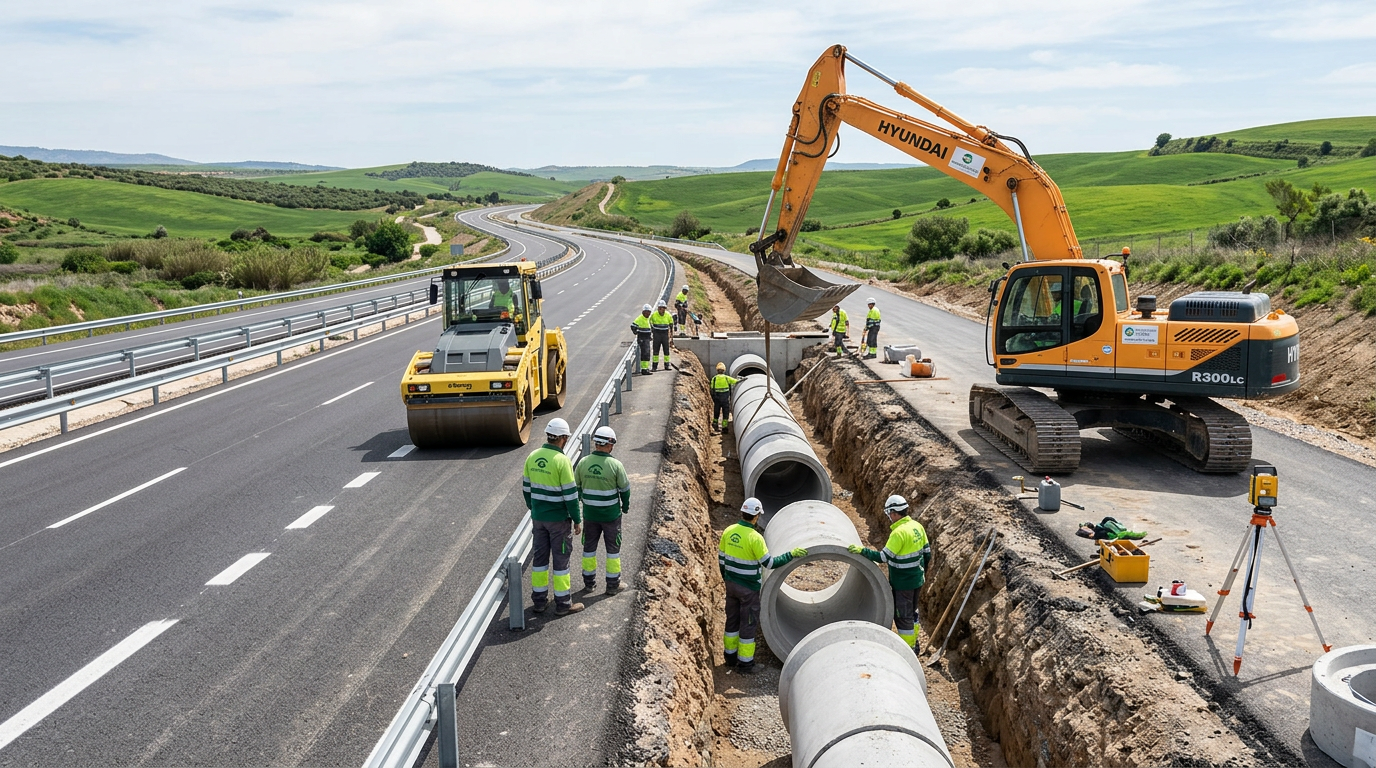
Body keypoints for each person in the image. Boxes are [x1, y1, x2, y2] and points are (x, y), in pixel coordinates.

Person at [718, 498, 807, 673]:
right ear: (756, 516)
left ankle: (729, 657)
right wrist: (791, 554)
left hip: (731, 585)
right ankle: (745, 664)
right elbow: (769, 563)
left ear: (743, 512)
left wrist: (727, 579)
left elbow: (721, 559)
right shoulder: (755, 538)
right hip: (748, 589)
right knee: (748, 623)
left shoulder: (728, 531)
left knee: (732, 620)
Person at [848, 494, 932, 653]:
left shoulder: (898, 533)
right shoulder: (917, 526)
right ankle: (915, 644)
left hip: (903, 584)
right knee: (913, 612)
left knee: (902, 617)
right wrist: (921, 573)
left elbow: (882, 557)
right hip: (917, 580)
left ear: (894, 513)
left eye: (889, 514)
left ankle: (908, 651)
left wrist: (862, 551)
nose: (889, 517)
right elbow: (927, 554)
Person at [522, 418, 585, 616]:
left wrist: (534, 509)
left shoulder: (532, 456)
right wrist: (576, 519)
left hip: (539, 519)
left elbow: (526, 489)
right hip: (558, 521)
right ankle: (564, 603)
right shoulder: (562, 461)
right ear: (564, 438)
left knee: (540, 560)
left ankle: (539, 602)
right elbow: (570, 495)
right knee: (561, 561)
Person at [575, 425, 631, 594]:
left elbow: (576, 489)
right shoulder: (615, 465)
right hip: (611, 516)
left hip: (590, 515)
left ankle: (589, 583)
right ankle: (613, 585)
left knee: (589, 548)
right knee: (613, 550)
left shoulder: (583, 463)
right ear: (610, 444)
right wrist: (625, 506)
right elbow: (625, 489)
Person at [709, 362, 738, 433]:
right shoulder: (726, 378)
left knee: (716, 412)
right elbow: (735, 381)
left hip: (717, 399)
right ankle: (724, 427)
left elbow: (711, 388)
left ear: (717, 370)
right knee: (725, 413)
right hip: (725, 399)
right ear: (724, 370)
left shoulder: (714, 379)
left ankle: (715, 425)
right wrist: (742, 379)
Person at [649, 300, 675, 371]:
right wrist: (651, 330)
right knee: (656, 351)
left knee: (666, 350)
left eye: (663, 308)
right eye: (660, 308)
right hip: (656, 334)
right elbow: (649, 322)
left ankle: (667, 365)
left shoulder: (668, 315)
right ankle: (654, 366)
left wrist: (671, 336)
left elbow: (671, 325)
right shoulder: (654, 315)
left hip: (665, 334)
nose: (662, 310)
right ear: (658, 308)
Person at [631, 304, 654, 375]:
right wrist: (636, 332)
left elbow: (649, 327)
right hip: (642, 338)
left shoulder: (647, 319)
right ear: (643, 312)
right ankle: (644, 369)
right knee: (645, 353)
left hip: (646, 338)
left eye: (649, 312)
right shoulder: (640, 318)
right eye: (647, 312)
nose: (648, 314)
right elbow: (633, 326)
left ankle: (645, 368)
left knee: (647, 353)